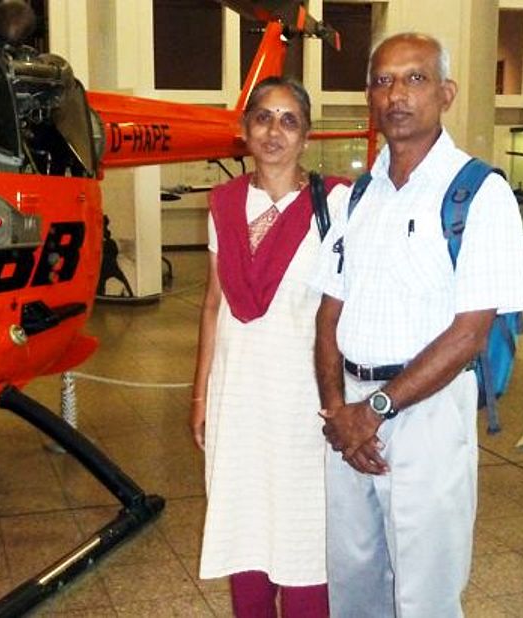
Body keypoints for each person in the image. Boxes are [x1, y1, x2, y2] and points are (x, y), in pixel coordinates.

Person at [311, 33, 523, 617]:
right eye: (383, 81)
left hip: (426, 418)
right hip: (349, 419)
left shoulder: (480, 195)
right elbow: (329, 312)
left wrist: (373, 411)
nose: (397, 95)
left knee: (426, 590)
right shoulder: (357, 198)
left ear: (446, 93)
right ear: (368, 97)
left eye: (415, 79)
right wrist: (338, 409)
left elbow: (470, 333)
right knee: (353, 584)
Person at [189, 76, 350, 617]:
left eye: (289, 120)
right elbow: (214, 304)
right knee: (245, 522)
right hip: (238, 396)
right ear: (245, 130)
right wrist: (200, 396)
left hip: (305, 398)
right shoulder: (224, 204)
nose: (274, 130)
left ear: (306, 136)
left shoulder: (337, 204)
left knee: (304, 530)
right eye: (263, 117)